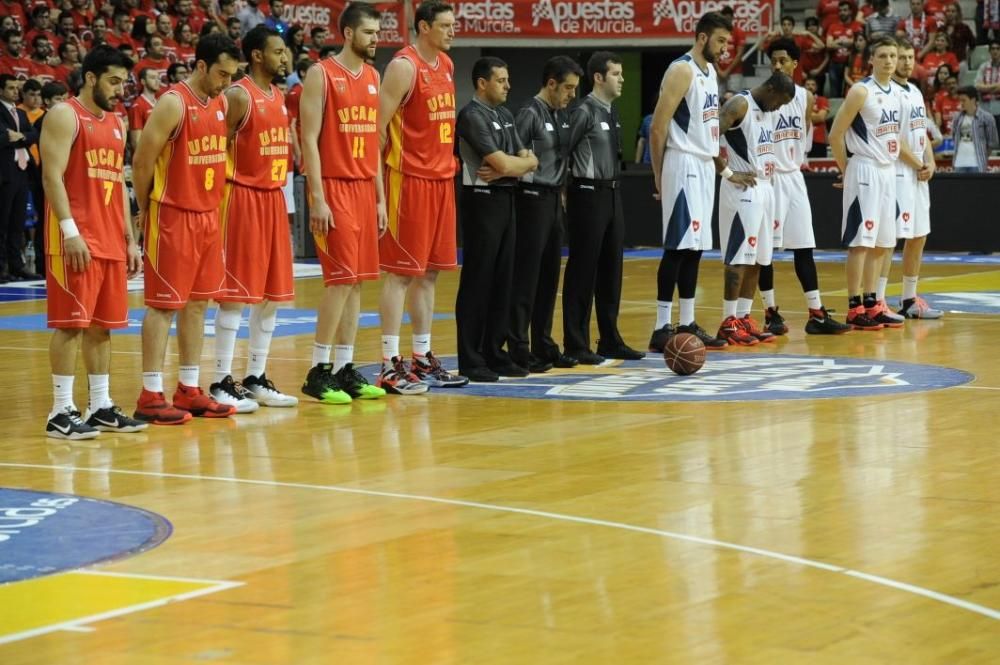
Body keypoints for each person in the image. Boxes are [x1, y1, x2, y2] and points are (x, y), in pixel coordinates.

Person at [131, 33, 242, 424]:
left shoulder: (222, 101)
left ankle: (189, 388)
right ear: (200, 66)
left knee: (198, 304)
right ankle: (150, 393)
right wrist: (144, 211)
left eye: (232, 75)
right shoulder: (172, 103)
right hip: (172, 214)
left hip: (208, 215)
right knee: (164, 306)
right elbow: (142, 162)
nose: (226, 82)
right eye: (221, 74)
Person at [41, 45, 147, 439]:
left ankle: (100, 405)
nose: (120, 89)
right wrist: (69, 231)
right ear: (90, 77)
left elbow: (117, 182)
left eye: (124, 81)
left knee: (103, 327)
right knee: (71, 325)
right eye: (113, 81)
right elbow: (52, 177)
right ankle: (59, 411)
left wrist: (130, 241)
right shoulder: (65, 115)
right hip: (74, 238)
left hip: (108, 241)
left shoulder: (117, 123)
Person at [299, 4, 389, 403]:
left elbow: (373, 145)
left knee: (356, 284)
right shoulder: (321, 74)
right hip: (333, 188)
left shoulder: (372, 75)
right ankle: (318, 371)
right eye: (369, 32)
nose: (376, 39)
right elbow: (309, 140)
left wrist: (381, 197)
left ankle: (344, 367)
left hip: (363, 189)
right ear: (349, 33)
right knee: (339, 282)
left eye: (377, 32)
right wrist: (317, 198)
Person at [207, 25, 299, 412]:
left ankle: (256, 376)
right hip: (240, 197)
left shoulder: (278, 96)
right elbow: (213, 145)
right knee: (235, 295)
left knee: (271, 296)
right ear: (258, 55)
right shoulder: (238, 96)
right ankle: (219, 379)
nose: (285, 58)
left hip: (273, 198)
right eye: (278, 52)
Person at [377, 1, 467, 392]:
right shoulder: (403, 67)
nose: (453, 31)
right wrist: (379, 191)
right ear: (424, 27)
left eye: (453, 24)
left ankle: (422, 355)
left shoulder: (444, 66)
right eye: (446, 25)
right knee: (400, 273)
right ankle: (388, 362)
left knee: (429, 273)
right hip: (407, 180)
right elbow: (377, 129)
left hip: (440, 180)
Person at [648, 12, 732, 353]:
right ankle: (660, 327)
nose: (725, 49)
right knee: (677, 248)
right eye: (720, 41)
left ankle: (687, 321)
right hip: (681, 164)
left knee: (695, 248)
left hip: (703, 166)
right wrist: (658, 174)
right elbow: (658, 127)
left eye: (727, 42)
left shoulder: (710, 72)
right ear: (701, 37)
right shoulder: (681, 69)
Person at [454, 57, 538, 382]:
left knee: (503, 280)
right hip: (481, 202)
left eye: (507, 79)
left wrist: (518, 165)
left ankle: (494, 351)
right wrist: (516, 165)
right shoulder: (471, 116)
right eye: (501, 80)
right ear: (482, 83)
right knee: (478, 280)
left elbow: (528, 158)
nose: (508, 86)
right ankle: (470, 358)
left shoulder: (504, 114)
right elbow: (502, 163)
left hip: (506, 199)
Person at [760, 40, 851, 335]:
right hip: (769, 177)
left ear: (795, 64)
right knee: (766, 251)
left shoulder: (805, 98)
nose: (776, 66)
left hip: (794, 176)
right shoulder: (760, 97)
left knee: (804, 247)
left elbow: (804, 140)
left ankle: (816, 314)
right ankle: (770, 313)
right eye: (773, 60)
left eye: (782, 60)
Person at [562, 51, 643, 364]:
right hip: (588, 193)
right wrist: (565, 192)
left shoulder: (611, 111)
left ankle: (609, 338)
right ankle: (575, 342)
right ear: (598, 77)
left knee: (612, 269)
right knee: (583, 270)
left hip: (612, 194)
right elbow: (560, 152)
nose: (622, 79)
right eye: (616, 74)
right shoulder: (583, 111)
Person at [509, 55, 582, 371]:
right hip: (531, 199)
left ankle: (543, 344)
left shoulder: (559, 114)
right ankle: (519, 347)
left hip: (554, 200)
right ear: (550, 83)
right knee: (527, 277)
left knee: (550, 277)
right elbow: (512, 154)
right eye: (567, 87)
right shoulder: (529, 113)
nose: (571, 94)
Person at [829, 36, 906, 330]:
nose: (889, 61)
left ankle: (873, 304)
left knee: (881, 243)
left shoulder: (897, 94)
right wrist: (847, 170)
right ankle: (854, 307)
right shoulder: (861, 91)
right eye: (883, 55)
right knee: (861, 242)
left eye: (893, 55)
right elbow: (836, 134)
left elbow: (893, 136)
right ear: (871, 60)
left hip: (888, 170)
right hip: (864, 168)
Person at [714, 73, 795, 346]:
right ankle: (727, 322)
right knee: (738, 257)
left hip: (764, 187)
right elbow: (710, 135)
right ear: (770, 89)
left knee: (759, 259)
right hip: (742, 188)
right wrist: (727, 173)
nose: (779, 108)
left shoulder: (765, 110)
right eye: (779, 102)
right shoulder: (739, 105)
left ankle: (744, 317)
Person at [884, 39, 943, 319]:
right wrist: (920, 163)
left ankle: (909, 299)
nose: (906, 62)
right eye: (902, 57)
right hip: (897, 171)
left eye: (910, 57)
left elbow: (922, 133)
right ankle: (876, 301)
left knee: (919, 234)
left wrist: (930, 162)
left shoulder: (916, 91)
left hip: (919, 173)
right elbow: (892, 137)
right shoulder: (889, 93)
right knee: (889, 238)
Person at [1, 73, 39, 282]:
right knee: (3, 222)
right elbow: (2, 137)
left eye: (17, 88)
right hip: (5, 173)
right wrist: (18, 137)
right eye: (11, 88)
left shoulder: (21, 113)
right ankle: (2, 267)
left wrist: (21, 137)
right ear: (1, 90)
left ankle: (17, 265)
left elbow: (34, 134)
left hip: (22, 172)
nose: (16, 92)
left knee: (17, 222)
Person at [950, 85, 999, 171]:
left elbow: (992, 142)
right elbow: (954, 138)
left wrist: (983, 155)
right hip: (959, 162)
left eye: (964, 100)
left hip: (977, 163)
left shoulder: (987, 118)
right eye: (960, 100)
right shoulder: (957, 118)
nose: (961, 103)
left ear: (973, 100)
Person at [827, 1, 866, 98]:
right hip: (835, 64)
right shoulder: (832, 26)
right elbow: (829, 45)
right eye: (840, 10)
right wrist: (848, 42)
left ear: (850, 11)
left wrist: (839, 41)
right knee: (834, 93)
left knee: (849, 93)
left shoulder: (857, 26)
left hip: (851, 64)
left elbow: (859, 42)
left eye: (845, 10)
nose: (842, 12)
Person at [715, 6, 745, 93]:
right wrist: (719, 71)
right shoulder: (717, 33)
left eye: (729, 18)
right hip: (718, 73)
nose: (726, 21)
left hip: (735, 73)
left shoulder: (739, 32)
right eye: (724, 18)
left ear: (732, 18)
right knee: (715, 100)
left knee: (733, 101)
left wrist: (726, 72)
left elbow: (739, 55)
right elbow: (713, 52)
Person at [128, 67, 160, 149]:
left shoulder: (160, 102)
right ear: (143, 81)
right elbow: (136, 142)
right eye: (153, 78)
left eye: (158, 78)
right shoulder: (137, 106)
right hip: (149, 156)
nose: (157, 81)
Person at [974, 40, 1000, 129]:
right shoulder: (983, 66)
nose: (995, 51)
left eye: (997, 49)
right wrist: (995, 86)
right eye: (993, 49)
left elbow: (982, 87)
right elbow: (977, 86)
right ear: (989, 51)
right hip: (985, 108)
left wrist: (986, 88)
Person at [805, 75, 831, 157]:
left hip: (819, 140)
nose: (810, 87)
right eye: (808, 85)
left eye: (813, 85)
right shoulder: (799, 101)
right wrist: (814, 114)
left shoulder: (822, 100)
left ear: (816, 87)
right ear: (803, 87)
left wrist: (805, 115)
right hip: (802, 140)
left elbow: (820, 117)